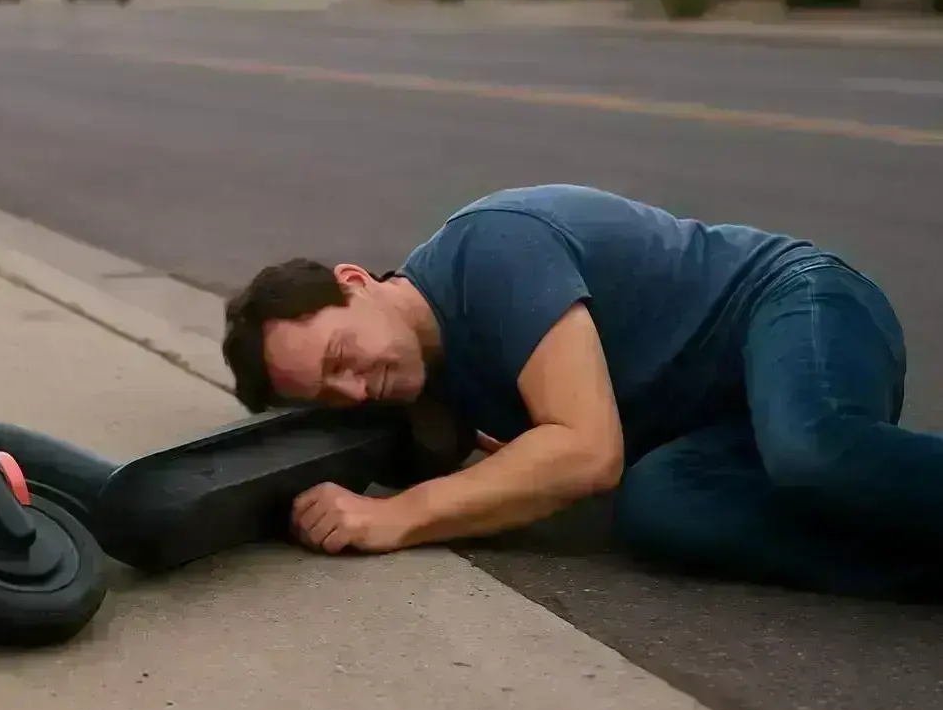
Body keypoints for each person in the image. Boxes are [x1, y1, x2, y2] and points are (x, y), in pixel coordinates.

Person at [221, 184, 943, 600]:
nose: (357, 386)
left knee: (810, 446)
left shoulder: (489, 251)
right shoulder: (427, 386)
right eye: (331, 390)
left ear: (355, 280)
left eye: (343, 353)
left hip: (793, 304)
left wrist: (398, 516)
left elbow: (587, 451)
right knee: (658, 508)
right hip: (720, 421)